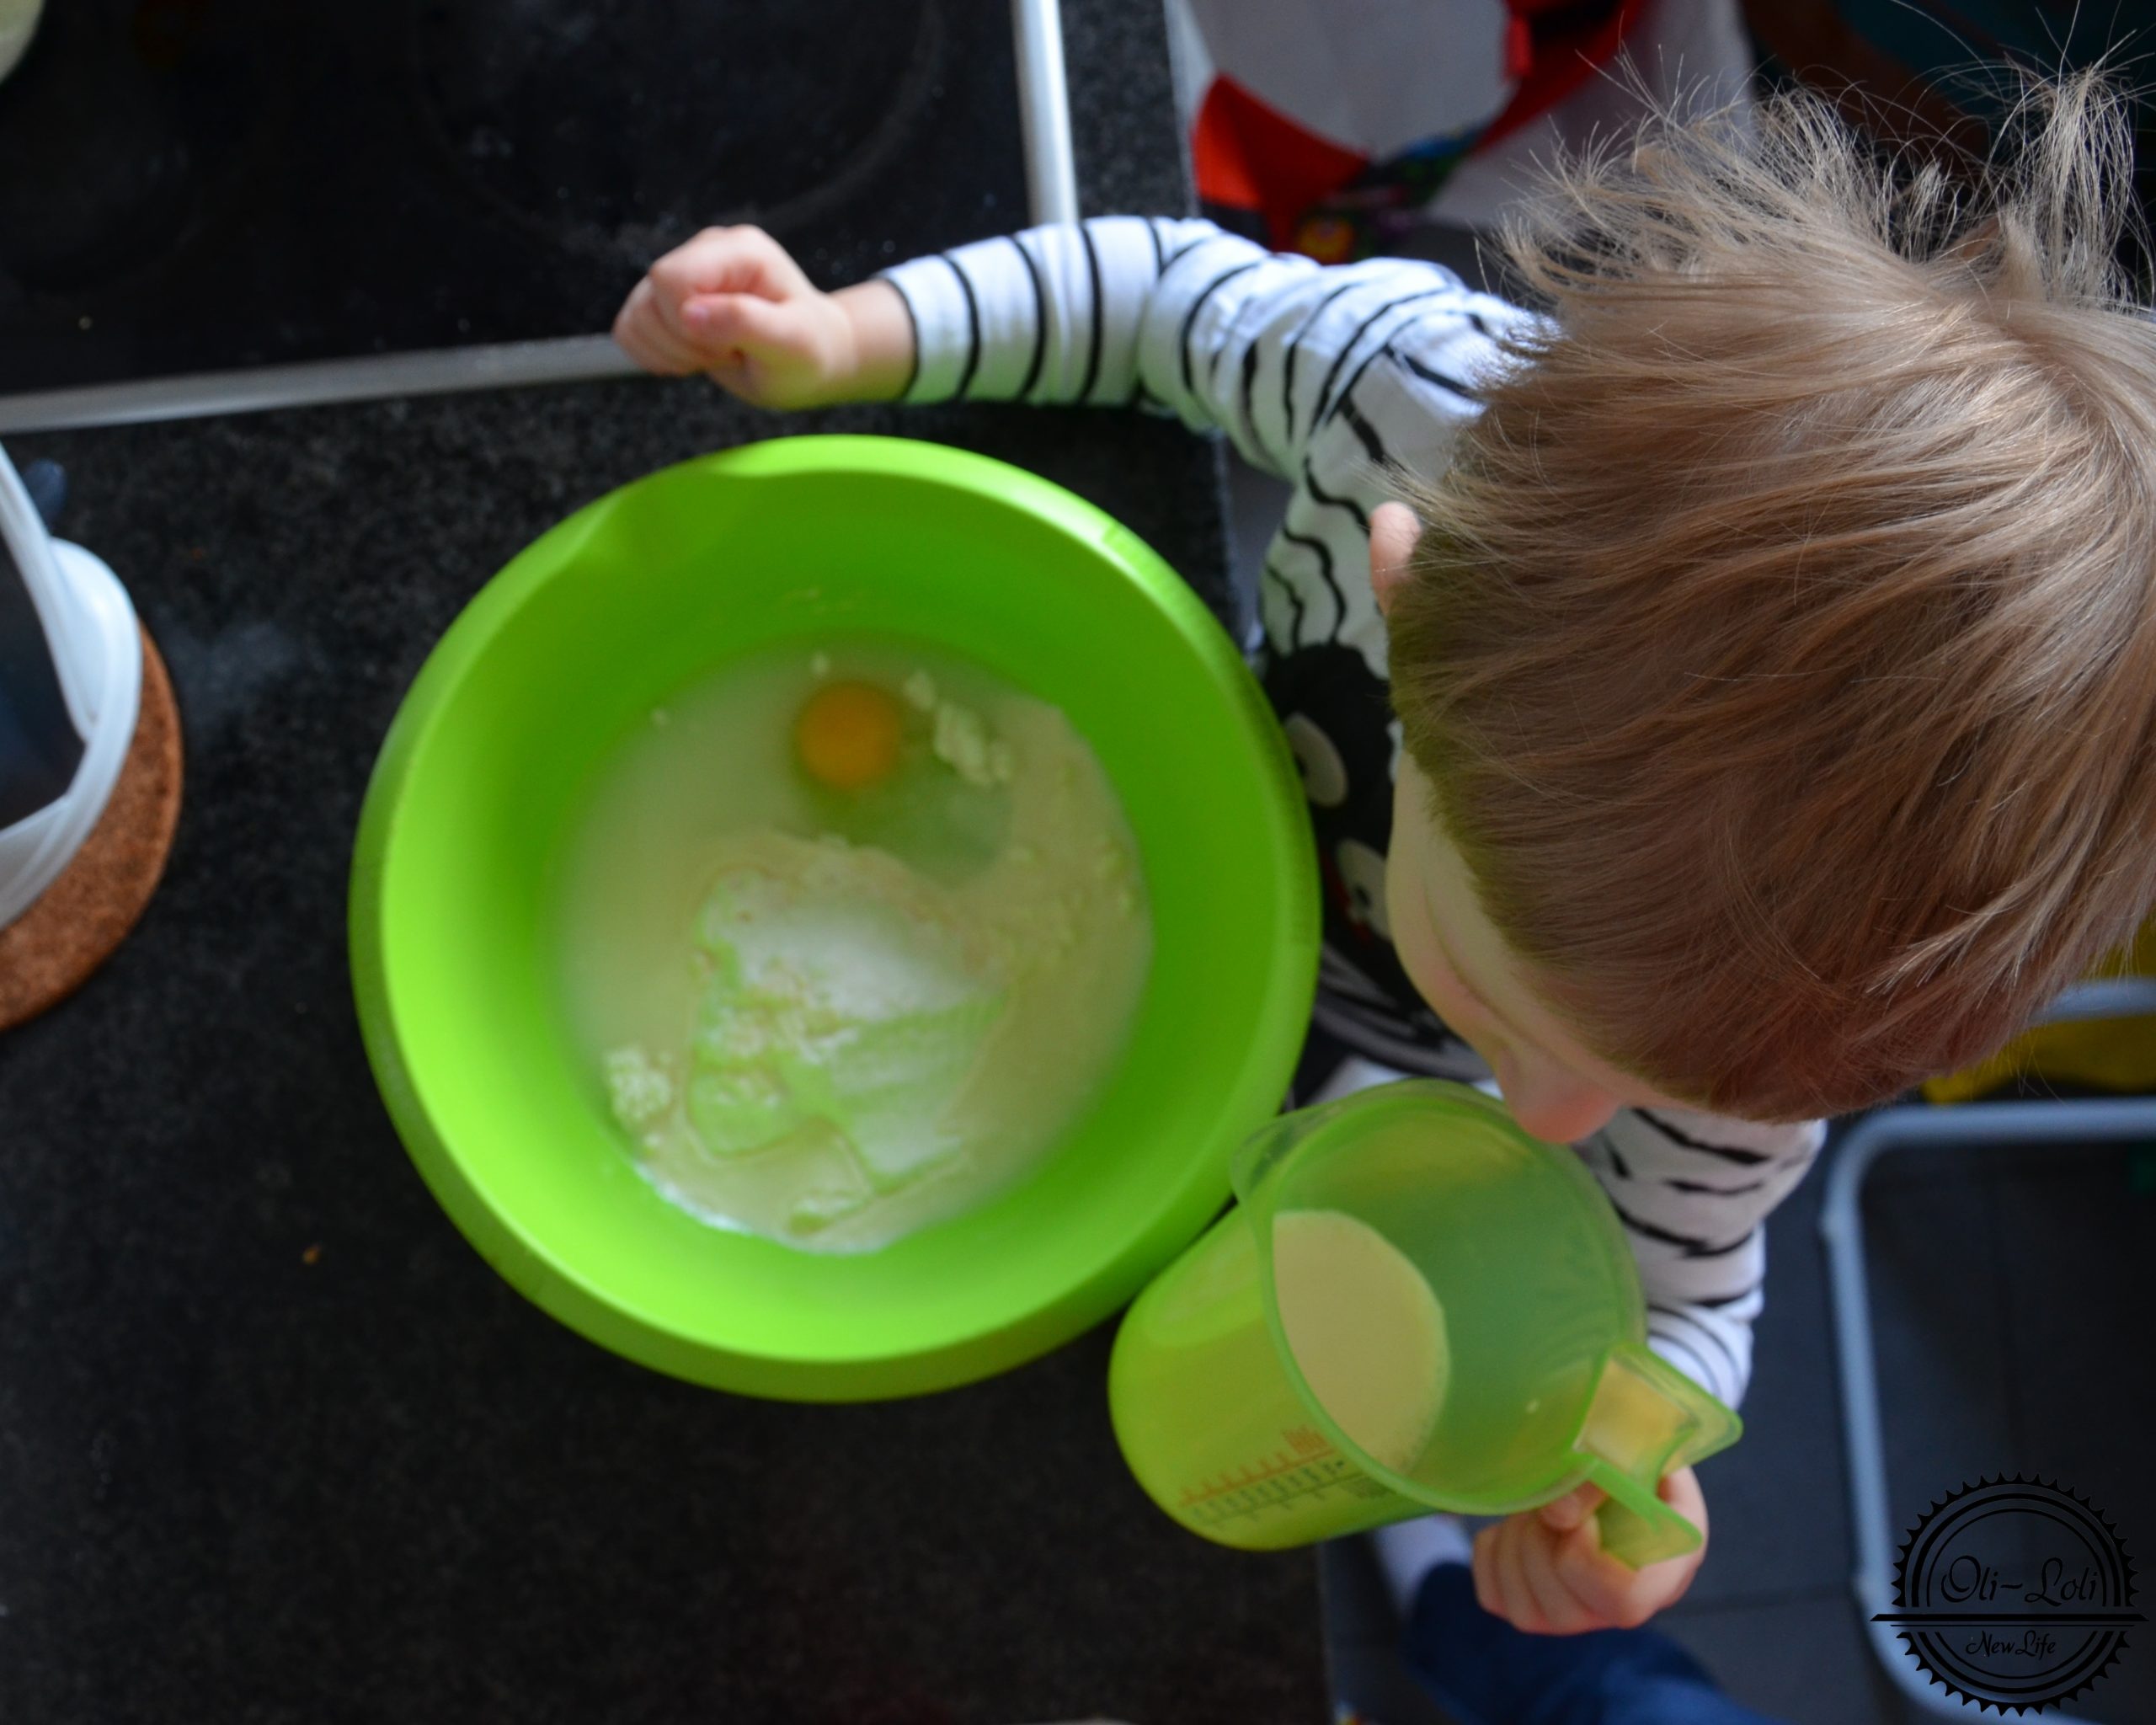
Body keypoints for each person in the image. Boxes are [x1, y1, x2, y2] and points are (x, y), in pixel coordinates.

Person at [612, 71, 2156, 1638]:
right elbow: (1159, 298)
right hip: (1194, 823)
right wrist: (856, 335)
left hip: (1330, 1086)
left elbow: (1680, 1293)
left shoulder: (1744, 1057)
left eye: (1639, 1090)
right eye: (1509, 1015)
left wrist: (1637, 1476)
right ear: (1402, 599)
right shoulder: (1413, 402)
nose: (1550, 1122)